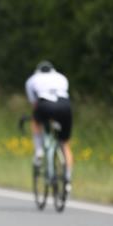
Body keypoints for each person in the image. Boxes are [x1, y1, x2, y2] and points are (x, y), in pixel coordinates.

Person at [25, 60, 73, 193]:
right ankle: (68, 180)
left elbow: (34, 104)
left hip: (45, 104)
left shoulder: (32, 79)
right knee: (65, 144)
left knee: (35, 121)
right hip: (65, 106)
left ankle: (39, 150)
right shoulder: (62, 77)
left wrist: (39, 116)